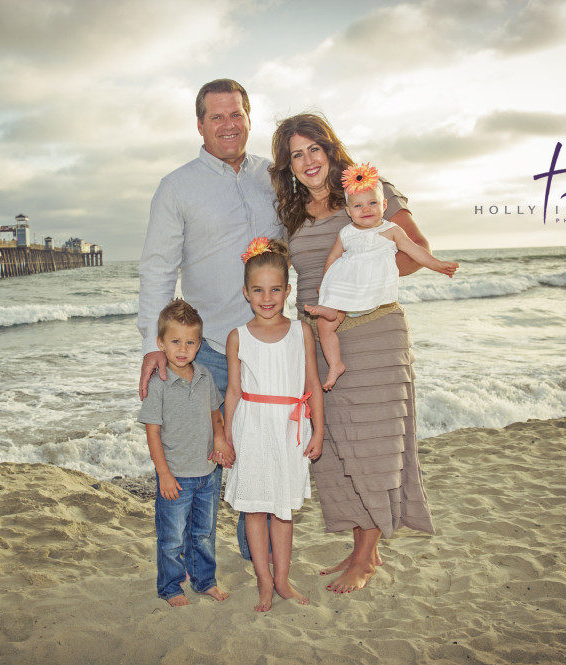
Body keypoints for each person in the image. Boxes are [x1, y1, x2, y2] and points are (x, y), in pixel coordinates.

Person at [270, 112, 437, 594]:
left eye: (313, 149)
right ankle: (363, 544)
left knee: (374, 442)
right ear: (289, 167)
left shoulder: (368, 188)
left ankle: (367, 554)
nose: (307, 161)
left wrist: (359, 284)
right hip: (321, 342)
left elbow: (414, 250)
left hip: (374, 333)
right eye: (296, 155)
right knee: (335, 445)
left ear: (329, 148)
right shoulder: (292, 213)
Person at [138, 78, 281, 559]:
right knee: (202, 460)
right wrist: (152, 346)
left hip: (272, 346)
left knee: (262, 452)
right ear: (199, 124)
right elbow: (159, 267)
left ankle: (253, 553)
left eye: (236, 113)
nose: (228, 124)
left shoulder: (275, 176)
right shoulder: (177, 186)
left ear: (248, 117)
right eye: (216, 116)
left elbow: (331, 204)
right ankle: (194, 562)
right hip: (213, 349)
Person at [222, 238, 324, 612]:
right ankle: (263, 581)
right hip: (251, 429)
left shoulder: (302, 332)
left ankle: (282, 579)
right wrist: (227, 438)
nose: (267, 298)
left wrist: (321, 432)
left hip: (289, 430)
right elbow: (233, 392)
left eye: (276, 289)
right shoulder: (238, 337)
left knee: (282, 510)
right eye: (259, 290)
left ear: (287, 290)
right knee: (255, 510)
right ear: (246, 292)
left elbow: (312, 385)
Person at [305, 163, 459, 391]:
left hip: (371, 291)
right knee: (325, 326)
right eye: (358, 205)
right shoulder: (347, 233)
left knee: (332, 315)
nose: (366, 209)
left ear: (384, 205)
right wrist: (326, 287)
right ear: (349, 211)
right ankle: (335, 363)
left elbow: (415, 251)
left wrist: (437, 265)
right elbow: (333, 257)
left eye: (373, 203)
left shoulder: (391, 230)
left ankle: (332, 310)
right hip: (345, 291)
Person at [138, 299, 232, 607]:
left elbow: (215, 414)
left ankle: (204, 581)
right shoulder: (159, 384)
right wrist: (163, 474)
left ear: (199, 344)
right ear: (160, 343)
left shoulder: (204, 376)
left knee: (203, 534)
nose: (182, 349)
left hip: (206, 473)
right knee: (172, 538)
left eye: (190, 342)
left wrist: (219, 439)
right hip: (175, 476)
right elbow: (152, 431)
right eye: (175, 341)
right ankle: (171, 587)